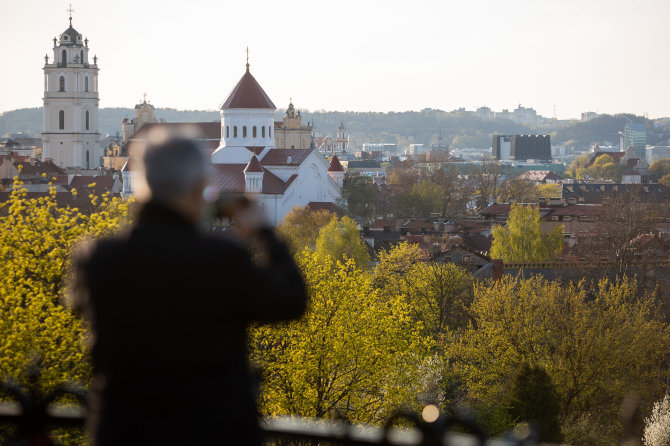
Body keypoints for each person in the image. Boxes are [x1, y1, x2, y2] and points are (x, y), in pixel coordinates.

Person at [70, 133, 307, 445]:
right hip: (210, 430)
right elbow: (291, 300)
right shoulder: (221, 259)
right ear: (199, 188)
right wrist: (265, 233)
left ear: (142, 186)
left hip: (124, 432)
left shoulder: (97, 258)